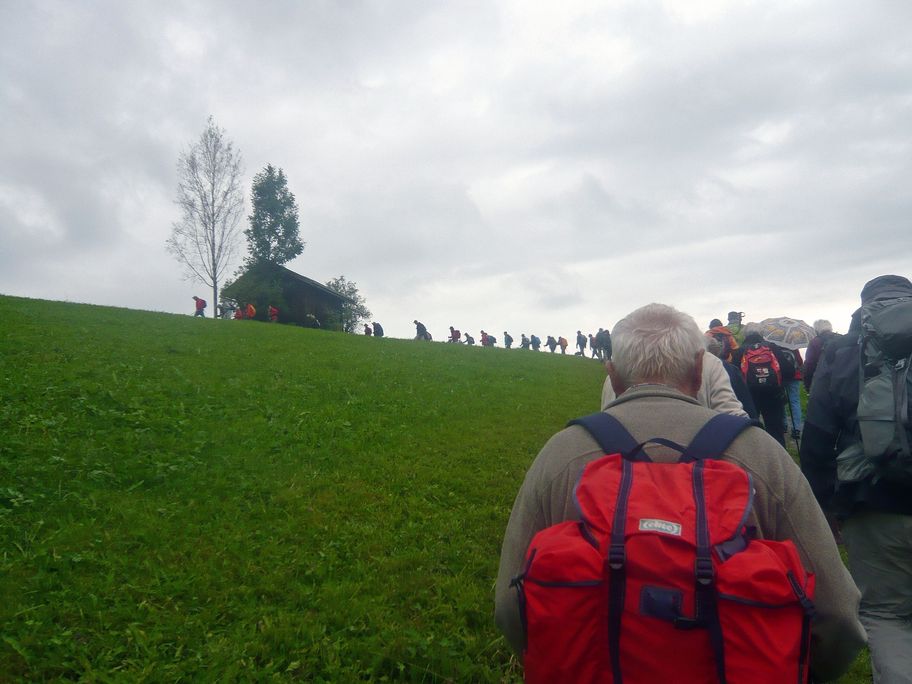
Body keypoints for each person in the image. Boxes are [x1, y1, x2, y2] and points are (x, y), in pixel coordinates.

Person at [496, 303, 864, 683]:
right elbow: (838, 614)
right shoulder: (761, 455)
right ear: (697, 371)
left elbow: (511, 608)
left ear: (613, 376)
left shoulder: (564, 452)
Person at [801, 275, 912, 683]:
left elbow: (817, 438)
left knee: (886, 615)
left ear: (864, 306)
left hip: (871, 504)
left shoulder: (844, 350)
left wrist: (824, 507)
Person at [603, 338, 748, 418]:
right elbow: (732, 413)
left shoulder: (615, 371)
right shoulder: (708, 362)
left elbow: (606, 415)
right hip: (704, 463)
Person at [733, 325, 789, 447]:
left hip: (749, 396)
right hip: (773, 395)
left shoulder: (740, 351)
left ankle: (755, 456)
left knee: (751, 429)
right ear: (761, 333)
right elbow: (788, 370)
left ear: (745, 335)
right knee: (775, 431)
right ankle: (779, 459)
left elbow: (733, 375)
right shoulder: (772, 347)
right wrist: (782, 384)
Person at [803, 319, 837, 391]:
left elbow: (810, 364)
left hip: (821, 379)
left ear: (816, 329)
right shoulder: (841, 338)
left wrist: (808, 384)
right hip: (840, 378)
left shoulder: (815, 342)